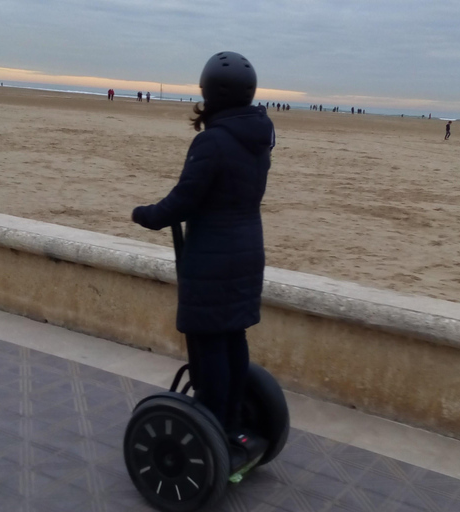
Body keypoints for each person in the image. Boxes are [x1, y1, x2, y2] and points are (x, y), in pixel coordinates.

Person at [132, 51, 274, 433]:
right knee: (232, 334)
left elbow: (183, 201)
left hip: (212, 256)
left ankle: (215, 421)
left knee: (208, 340)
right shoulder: (260, 137)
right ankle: (232, 420)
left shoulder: (212, 142)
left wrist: (145, 214)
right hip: (247, 250)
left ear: (209, 92)